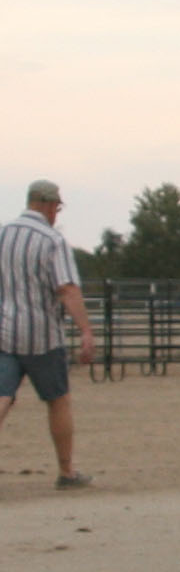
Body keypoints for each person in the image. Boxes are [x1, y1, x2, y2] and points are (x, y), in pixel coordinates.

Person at [0, 179, 96, 489]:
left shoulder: (4, 233)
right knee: (58, 400)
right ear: (49, 205)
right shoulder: (52, 240)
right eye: (57, 207)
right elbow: (67, 289)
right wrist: (85, 331)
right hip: (42, 335)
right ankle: (67, 472)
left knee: (3, 397)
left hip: (5, 329)